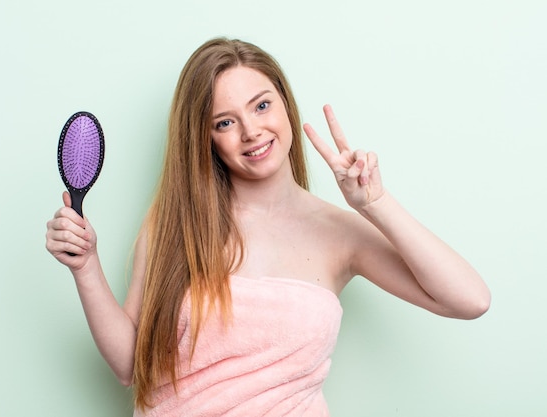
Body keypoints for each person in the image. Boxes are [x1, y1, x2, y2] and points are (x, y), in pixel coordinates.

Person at [45, 37, 490, 416]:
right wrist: (86, 268)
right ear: (206, 138)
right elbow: (128, 367)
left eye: (261, 105)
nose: (251, 131)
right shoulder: (174, 222)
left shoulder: (341, 232)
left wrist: (375, 203)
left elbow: (469, 300)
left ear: (284, 102)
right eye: (225, 122)